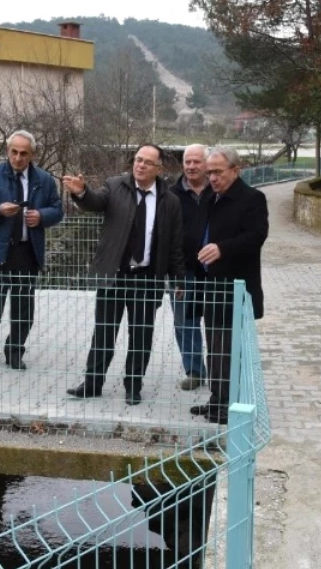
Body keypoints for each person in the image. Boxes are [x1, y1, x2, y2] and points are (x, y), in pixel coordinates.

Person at [62, 144, 185, 405]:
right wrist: (82, 192)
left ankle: (133, 386)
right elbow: (95, 202)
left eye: (147, 162)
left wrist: (178, 278)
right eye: (138, 159)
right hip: (114, 275)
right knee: (104, 332)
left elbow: (175, 245)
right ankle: (92, 383)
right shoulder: (115, 186)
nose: (140, 165)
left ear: (159, 169)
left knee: (141, 335)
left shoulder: (170, 200)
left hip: (147, 278)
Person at [0, 130, 63, 371]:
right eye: (14, 152)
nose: (18, 158)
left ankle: (15, 351)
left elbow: (57, 209)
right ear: (7, 150)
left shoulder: (44, 179)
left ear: (32, 155)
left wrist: (41, 216)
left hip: (26, 251)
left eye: (24, 153)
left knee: (23, 308)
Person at [192, 147, 269, 424]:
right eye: (209, 172)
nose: (212, 178)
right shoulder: (209, 199)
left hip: (237, 289)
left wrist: (222, 249)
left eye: (218, 172)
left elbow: (256, 236)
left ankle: (229, 405)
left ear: (235, 171)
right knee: (214, 348)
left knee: (230, 350)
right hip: (210, 287)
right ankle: (217, 399)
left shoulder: (252, 199)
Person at [168, 144, 211, 390]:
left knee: (216, 321)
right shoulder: (172, 194)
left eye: (197, 161)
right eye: (187, 161)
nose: (191, 166)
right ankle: (194, 371)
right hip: (183, 271)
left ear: (207, 164)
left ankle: (220, 370)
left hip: (214, 271)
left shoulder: (217, 192)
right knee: (185, 322)